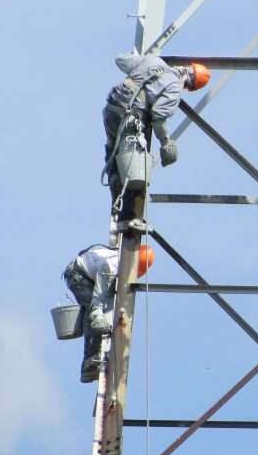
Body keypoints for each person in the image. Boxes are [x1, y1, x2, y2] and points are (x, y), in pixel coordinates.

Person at [102, 52, 210, 221]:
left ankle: (116, 200)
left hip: (112, 108)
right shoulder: (174, 86)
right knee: (133, 164)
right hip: (130, 115)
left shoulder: (153, 61)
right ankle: (127, 213)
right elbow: (158, 116)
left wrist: (140, 59)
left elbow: (121, 60)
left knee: (113, 157)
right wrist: (166, 142)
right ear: (190, 84)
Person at [62, 243, 154, 383]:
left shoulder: (121, 263)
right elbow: (99, 294)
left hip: (88, 275)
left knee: (93, 312)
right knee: (94, 312)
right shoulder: (112, 266)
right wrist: (98, 314)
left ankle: (89, 364)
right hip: (78, 275)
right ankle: (90, 360)